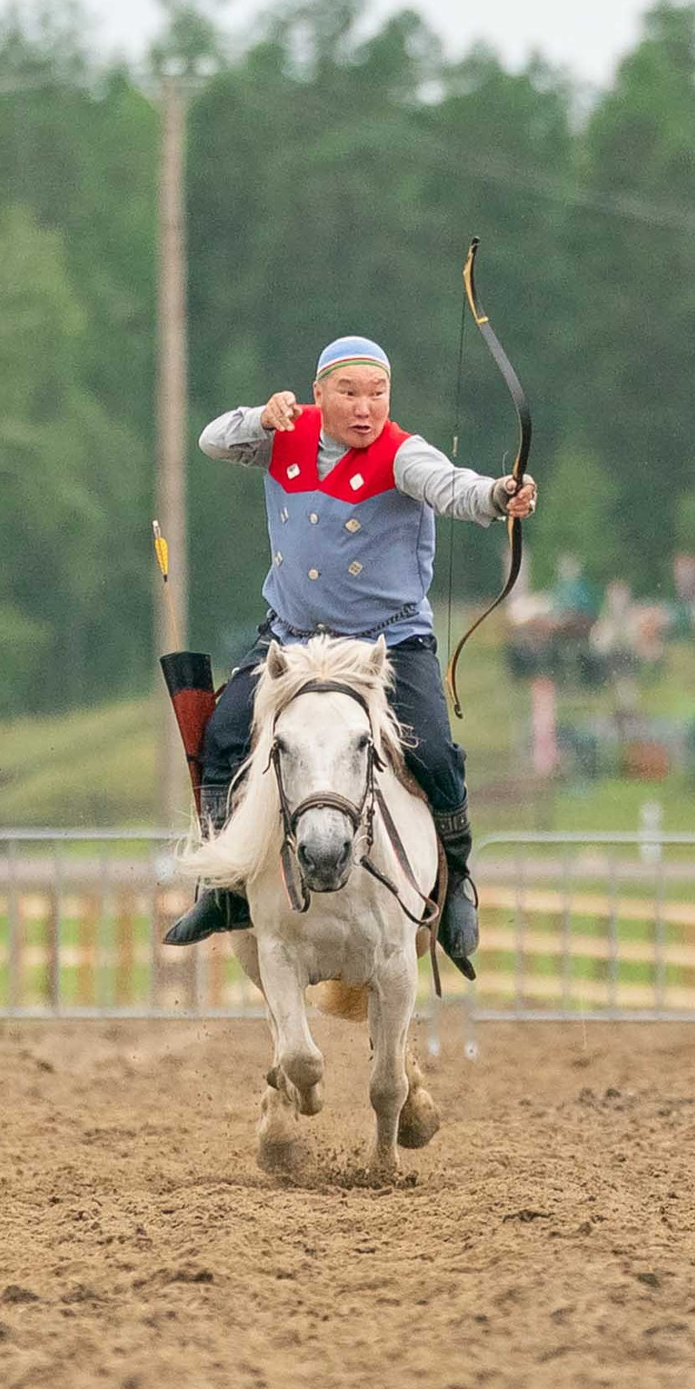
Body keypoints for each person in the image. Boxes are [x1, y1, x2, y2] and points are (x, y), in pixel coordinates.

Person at [160, 334, 537, 977]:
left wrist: (500, 496)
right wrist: (260, 415)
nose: (366, 407)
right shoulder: (286, 433)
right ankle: (224, 888)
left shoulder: (401, 453)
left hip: (385, 645)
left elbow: (453, 488)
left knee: (435, 753)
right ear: (317, 395)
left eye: (377, 393)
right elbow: (212, 440)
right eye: (349, 392)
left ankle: (458, 888)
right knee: (222, 735)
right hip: (292, 640)